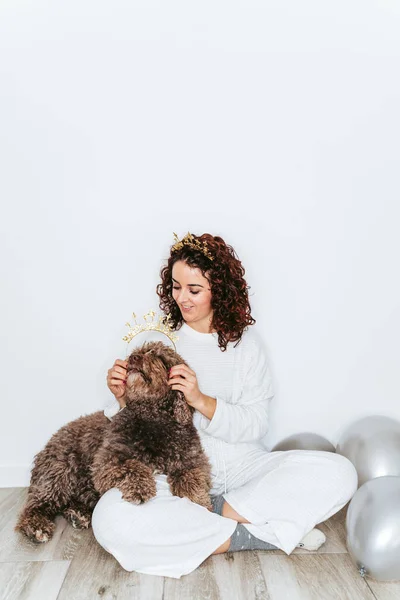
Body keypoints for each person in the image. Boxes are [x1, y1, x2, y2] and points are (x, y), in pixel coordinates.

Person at [91, 232, 358, 579]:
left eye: (194, 290)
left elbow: (256, 424)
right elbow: (138, 424)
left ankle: (211, 517)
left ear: (220, 289)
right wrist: (121, 398)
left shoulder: (246, 347)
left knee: (341, 473)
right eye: (175, 286)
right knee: (109, 518)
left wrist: (201, 401)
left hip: (244, 467)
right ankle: (257, 534)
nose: (181, 299)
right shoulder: (155, 341)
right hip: (174, 472)